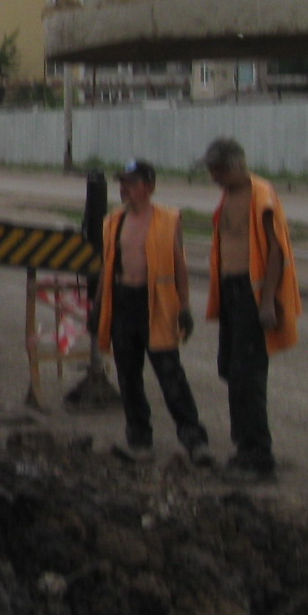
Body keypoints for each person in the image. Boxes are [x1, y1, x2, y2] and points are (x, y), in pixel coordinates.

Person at [97, 160, 212, 465]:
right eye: (122, 183)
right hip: (124, 303)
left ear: (149, 186)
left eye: (131, 183)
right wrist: (98, 307)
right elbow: (107, 268)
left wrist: (184, 307)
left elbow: (179, 266)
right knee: (128, 377)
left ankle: (193, 439)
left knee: (170, 375)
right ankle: (139, 441)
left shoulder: (167, 219)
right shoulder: (113, 222)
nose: (124, 189)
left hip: (156, 306)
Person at [203, 137, 299, 479]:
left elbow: (277, 251)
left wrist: (268, 300)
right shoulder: (228, 196)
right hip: (232, 293)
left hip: (251, 295)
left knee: (248, 375)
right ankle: (243, 448)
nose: (213, 178)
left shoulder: (261, 195)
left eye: (217, 171)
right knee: (232, 371)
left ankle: (259, 457)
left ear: (234, 166)